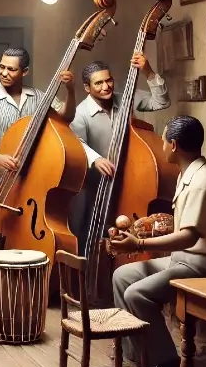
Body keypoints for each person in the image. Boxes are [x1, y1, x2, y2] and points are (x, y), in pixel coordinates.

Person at [109, 115, 206, 367]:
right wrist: (139, 233)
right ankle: (141, 358)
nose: (162, 146)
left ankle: (167, 365)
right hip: (185, 260)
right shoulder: (187, 172)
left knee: (137, 293)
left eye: (164, 140)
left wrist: (139, 244)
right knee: (122, 276)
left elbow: (188, 237)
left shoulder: (202, 180)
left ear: (174, 145)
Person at [69, 54, 171, 248]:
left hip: (132, 179)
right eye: (98, 83)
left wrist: (148, 71)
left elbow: (162, 102)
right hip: (98, 186)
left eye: (108, 80)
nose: (106, 87)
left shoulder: (125, 98)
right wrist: (96, 159)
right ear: (86, 88)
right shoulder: (80, 113)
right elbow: (76, 142)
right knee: (93, 233)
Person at [0, 47, 76, 188]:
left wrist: (71, 90)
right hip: (3, 180)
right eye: (1, 67)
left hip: (36, 176)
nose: (4, 73)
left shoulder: (39, 96)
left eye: (11, 69)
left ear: (24, 72)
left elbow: (66, 117)